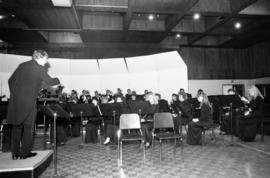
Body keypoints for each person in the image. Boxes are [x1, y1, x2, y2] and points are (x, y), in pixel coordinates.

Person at [7, 50, 60, 160]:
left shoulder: (22, 65)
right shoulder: (39, 68)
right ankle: (24, 154)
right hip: (29, 102)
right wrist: (57, 80)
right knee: (28, 128)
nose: (46, 61)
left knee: (16, 126)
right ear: (40, 57)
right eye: (46, 59)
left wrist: (16, 94)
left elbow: (10, 80)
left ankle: (15, 153)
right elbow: (50, 81)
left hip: (15, 101)